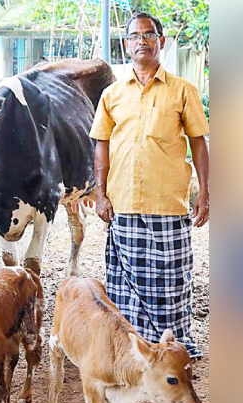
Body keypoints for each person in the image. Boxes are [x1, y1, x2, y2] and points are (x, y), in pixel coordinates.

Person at [89, 12, 209, 359]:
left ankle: (172, 349)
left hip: (167, 204)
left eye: (149, 34)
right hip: (123, 204)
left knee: (171, 282)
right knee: (125, 287)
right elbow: (102, 146)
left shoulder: (183, 91)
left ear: (161, 41)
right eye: (135, 36)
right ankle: (134, 351)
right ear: (126, 44)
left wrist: (205, 191)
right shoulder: (111, 95)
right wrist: (100, 194)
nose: (142, 40)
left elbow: (199, 142)